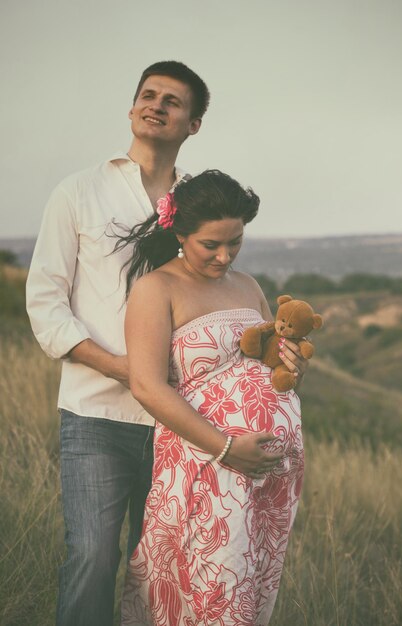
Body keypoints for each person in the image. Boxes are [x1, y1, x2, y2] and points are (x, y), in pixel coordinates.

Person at [26, 61, 211, 626]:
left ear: (193, 124)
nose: (156, 105)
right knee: (92, 555)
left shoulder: (201, 203)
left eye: (172, 101)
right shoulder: (79, 190)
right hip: (95, 415)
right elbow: (45, 302)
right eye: (147, 95)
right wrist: (121, 368)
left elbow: (212, 296)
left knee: (160, 565)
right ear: (132, 109)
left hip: (178, 420)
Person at [119, 170, 306, 626]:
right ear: (180, 233)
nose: (225, 256)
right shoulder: (156, 290)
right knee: (207, 589)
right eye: (211, 245)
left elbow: (267, 368)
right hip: (205, 465)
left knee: (251, 588)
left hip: (264, 477)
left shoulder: (248, 285)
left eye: (236, 242)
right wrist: (226, 448)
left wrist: (293, 367)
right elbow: (146, 385)